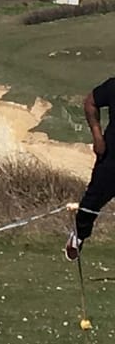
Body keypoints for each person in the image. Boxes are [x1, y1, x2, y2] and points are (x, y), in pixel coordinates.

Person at [67, 78, 115, 260]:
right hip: (111, 157)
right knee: (93, 200)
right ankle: (78, 236)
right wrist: (97, 135)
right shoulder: (112, 86)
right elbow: (90, 102)